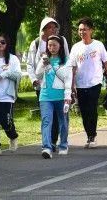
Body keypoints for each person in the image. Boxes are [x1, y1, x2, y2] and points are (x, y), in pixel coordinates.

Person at [69, 17, 107, 149]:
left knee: (92, 108)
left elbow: (106, 62)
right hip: (80, 84)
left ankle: (92, 136)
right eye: (80, 30)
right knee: (84, 111)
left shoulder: (98, 45)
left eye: (85, 29)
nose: (82, 32)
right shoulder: (76, 47)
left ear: (91, 30)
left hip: (95, 83)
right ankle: (89, 135)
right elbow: (73, 67)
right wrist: (72, 85)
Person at [27, 17, 69, 146]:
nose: (53, 29)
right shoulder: (36, 43)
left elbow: (67, 58)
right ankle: (48, 142)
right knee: (47, 115)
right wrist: (34, 79)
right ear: (43, 29)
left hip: (59, 84)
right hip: (42, 85)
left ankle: (53, 140)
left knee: (58, 116)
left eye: (54, 27)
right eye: (49, 27)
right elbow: (30, 64)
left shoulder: (62, 40)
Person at [36, 35, 72, 158]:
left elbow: (67, 78)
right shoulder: (45, 59)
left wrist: (68, 96)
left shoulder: (66, 60)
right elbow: (38, 75)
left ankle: (63, 144)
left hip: (61, 96)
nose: (52, 48)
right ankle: (46, 147)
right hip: (45, 96)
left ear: (60, 46)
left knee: (63, 122)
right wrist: (43, 63)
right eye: (49, 45)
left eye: (54, 45)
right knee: (46, 121)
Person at [0, 34, 21, 156]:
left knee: (5, 121)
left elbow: (18, 75)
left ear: (7, 44)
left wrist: (5, 74)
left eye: (3, 42)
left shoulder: (13, 59)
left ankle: (13, 136)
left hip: (7, 95)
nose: (0, 44)